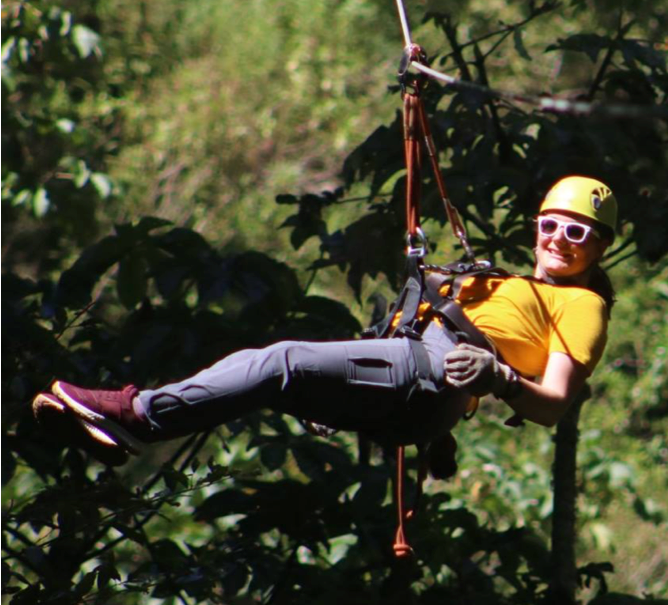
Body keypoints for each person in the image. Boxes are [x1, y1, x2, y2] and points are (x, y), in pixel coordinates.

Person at [32, 176, 617, 467]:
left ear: (599, 247)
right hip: (414, 371)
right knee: (260, 375)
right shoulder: (516, 283)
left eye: (577, 233)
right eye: (550, 225)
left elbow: (556, 402)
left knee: (279, 362)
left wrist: (499, 378)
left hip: (430, 374)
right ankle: (113, 434)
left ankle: (137, 416)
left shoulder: (583, 305)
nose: (559, 240)